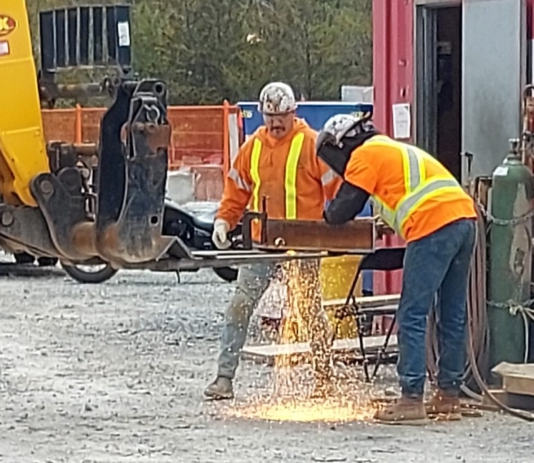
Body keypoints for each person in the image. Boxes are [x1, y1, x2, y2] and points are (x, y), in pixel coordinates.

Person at [315, 113, 478, 424]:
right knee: (453, 313)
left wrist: (324, 215)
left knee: (412, 314)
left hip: (434, 225)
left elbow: (341, 211)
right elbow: (403, 198)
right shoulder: (389, 149)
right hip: (463, 219)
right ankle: (448, 395)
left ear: (342, 144)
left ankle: (411, 398)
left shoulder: (365, 154)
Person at [203, 82, 341, 400]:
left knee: (309, 309)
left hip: (304, 240)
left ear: (294, 113)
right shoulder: (253, 146)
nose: (276, 124)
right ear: (264, 115)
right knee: (240, 305)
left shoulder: (311, 144)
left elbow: (336, 191)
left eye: (282, 117)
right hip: (263, 241)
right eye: (270, 118)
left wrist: (336, 226)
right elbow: (237, 188)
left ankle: (324, 378)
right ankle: (224, 378)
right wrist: (224, 220)